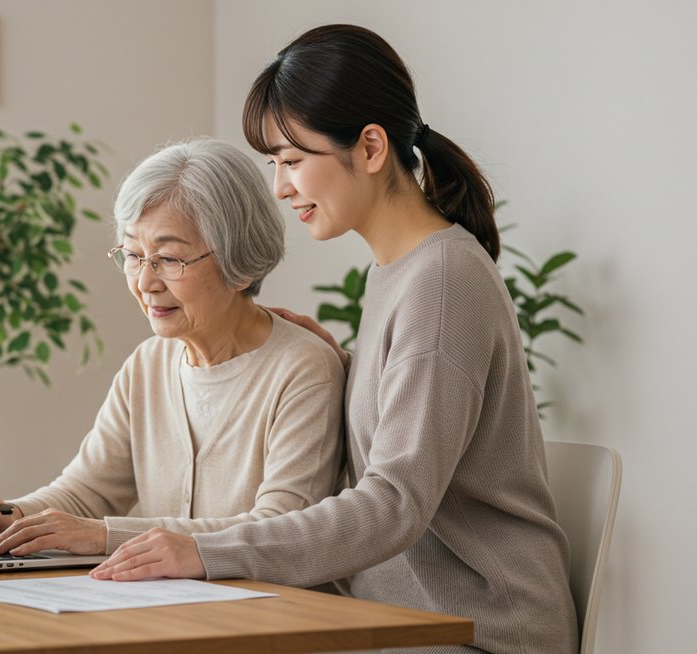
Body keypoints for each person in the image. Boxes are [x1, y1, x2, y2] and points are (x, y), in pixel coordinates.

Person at [90, 25, 579, 654]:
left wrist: (201, 551)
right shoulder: (401, 272)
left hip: (477, 635)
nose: (279, 186)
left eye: (293, 160)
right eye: (274, 163)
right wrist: (350, 366)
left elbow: (394, 503)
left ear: (371, 147)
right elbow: (416, 410)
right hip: (397, 622)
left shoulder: (442, 281)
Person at [0, 139, 346, 558]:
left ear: (239, 261)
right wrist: (7, 517)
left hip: (276, 614)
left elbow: (280, 527)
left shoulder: (303, 368)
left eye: (169, 259)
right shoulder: (148, 364)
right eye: (133, 254)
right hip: (168, 611)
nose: (145, 283)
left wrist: (103, 536)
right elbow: (86, 492)